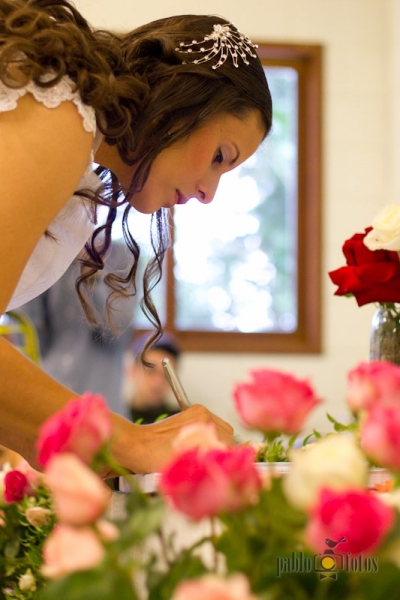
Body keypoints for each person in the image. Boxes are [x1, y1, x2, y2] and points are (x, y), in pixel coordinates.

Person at [0, 0, 273, 475]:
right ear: (181, 103)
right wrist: (130, 441)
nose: (209, 192)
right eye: (219, 156)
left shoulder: (80, 168)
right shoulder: (63, 114)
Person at [20, 241, 135, 416]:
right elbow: (31, 343)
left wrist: (90, 273)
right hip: (54, 399)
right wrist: (29, 271)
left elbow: (118, 335)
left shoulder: (121, 255)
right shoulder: (51, 255)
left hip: (103, 404)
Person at [126, 332, 181, 424]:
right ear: (132, 370)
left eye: (167, 376)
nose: (158, 383)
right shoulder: (112, 417)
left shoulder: (181, 422)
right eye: (150, 372)